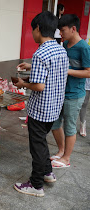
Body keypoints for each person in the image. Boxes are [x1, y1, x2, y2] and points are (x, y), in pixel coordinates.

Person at [13, 11, 69, 197]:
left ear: (37, 28)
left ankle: (35, 185)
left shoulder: (40, 53)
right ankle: (47, 172)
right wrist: (31, 69)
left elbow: (39, 85)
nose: (33, 33)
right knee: (42, 142)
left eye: (33, 30)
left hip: (40, 109)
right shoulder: (60, 49)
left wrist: (22, 84)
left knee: (36, 146)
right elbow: (51, 76)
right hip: (54, 107)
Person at [50, 14, 90, 168]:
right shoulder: (66, 44)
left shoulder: (84, 48)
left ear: (73, 29)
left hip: (75, 94)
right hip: (62, 92)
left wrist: (68, 71)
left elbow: (88, 72)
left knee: (70, 126)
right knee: (54, 122)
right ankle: (61, 151)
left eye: (63, 30)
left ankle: (66, 158)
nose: (61, 34)